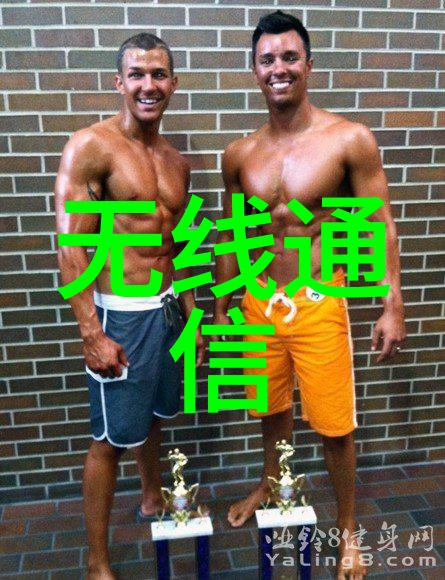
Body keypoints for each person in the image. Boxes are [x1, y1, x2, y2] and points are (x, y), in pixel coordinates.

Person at [213, 11, 406, 579]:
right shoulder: (239, 153)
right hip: (257, 302)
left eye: (289, 57)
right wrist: (221, 308)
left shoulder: (348, 139)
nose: (279, 68)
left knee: (335, 427)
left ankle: (346, 532)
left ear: (309, 65)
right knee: (270, 409)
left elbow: (380, 224)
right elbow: (232, 233)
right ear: (254, 70)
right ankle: (269, 485)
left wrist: (391, 303)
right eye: (267, 59)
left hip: (318, 300)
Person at [55, 33, 204, 580]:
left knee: (157, 414)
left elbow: (177, 246)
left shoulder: (176, 162)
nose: (148, 85)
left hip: (166, 310)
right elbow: (71, 247)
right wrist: (92, 333)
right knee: (107, 442)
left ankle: (150, 494)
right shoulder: (91, 147)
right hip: (119, 315)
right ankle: (97, 562)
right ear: (118, 82)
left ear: (174, 84)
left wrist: (192, 315)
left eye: (159, 74)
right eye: (137, 74)